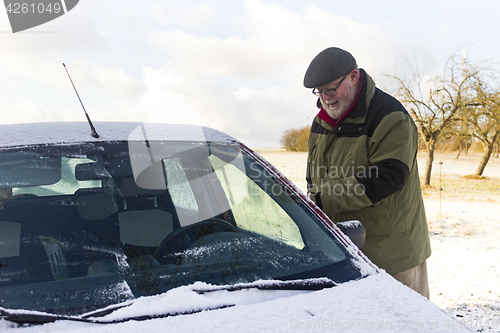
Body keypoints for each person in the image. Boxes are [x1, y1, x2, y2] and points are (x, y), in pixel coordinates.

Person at [303, 47, 431, 298]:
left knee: (403, 324)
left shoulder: (389, 117)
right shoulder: (321, 119)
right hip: (344, 251)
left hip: (392, 254)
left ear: (353, 76)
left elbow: (387, 177)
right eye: (319, 91)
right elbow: (314, 175)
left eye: (331, 89)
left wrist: (323, 199)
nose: (325, 97)